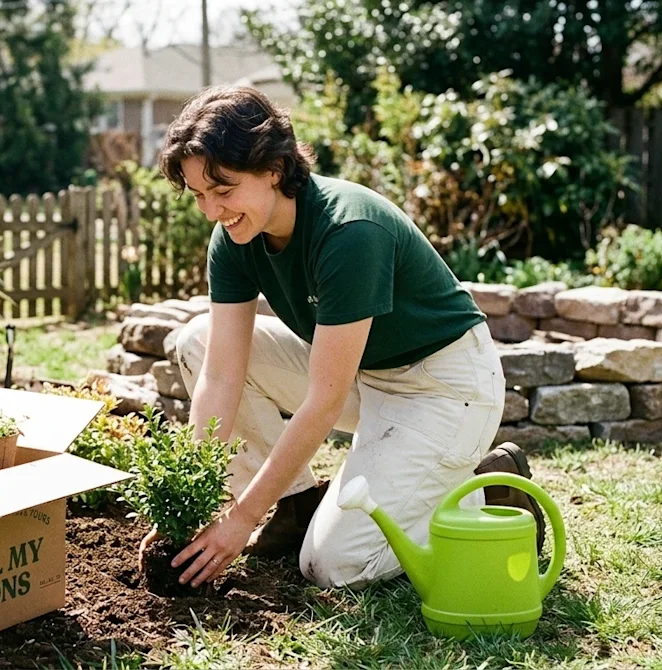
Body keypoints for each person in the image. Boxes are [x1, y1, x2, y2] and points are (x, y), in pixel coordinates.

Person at [158, 86, 544, 591]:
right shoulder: (235, 235)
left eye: (223, 190)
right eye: (199, 195)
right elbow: (221, 372)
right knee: (199, 341)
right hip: (366, 376)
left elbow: (324, 401)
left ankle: (481, 495)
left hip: (442, 388)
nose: (211, 210)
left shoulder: (349, 230)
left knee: (332, 567)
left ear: (274, 168)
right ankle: (296, 507)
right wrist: (194, 495)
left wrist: (242, 518)